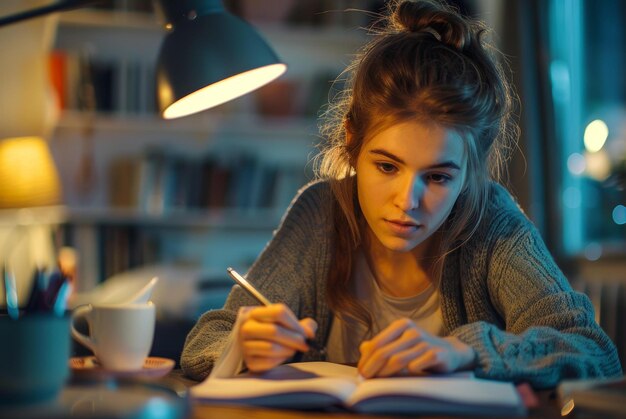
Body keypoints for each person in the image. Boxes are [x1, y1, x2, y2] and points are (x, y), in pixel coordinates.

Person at [181, 0, 622, 388]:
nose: (407, 201)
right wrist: (244, 344)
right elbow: (205, 341)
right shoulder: (320, 213)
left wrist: (465, 351)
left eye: (437, 177)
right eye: (387, 166)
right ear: (353, 141)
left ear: (469, 173)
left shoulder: (492, 225)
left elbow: (593, 351)